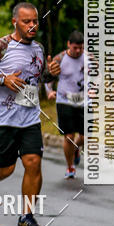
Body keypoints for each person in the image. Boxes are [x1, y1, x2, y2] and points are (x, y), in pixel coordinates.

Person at [0, 2, 60, 226]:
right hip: (2, 118)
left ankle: (26, 216)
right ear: (15, 22)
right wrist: (4, 80)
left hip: (29, 116)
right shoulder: (2, 46)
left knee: (33, 162)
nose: (32, 26)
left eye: (35, 21)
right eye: (26, 21)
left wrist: (50, 73)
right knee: (6, 168)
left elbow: (36, 77)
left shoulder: (38, 48)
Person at [45, 30, 86, 178]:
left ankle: (77, 147)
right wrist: (49, 91)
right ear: (69, 45)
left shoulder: (88, 58)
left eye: (81, 48)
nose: (78, 51)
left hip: (84, 101)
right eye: (75, 48)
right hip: (64, 100)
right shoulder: (60, 58)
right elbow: (48, 77)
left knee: (84, 137)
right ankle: (70, 167)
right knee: (68, 136)